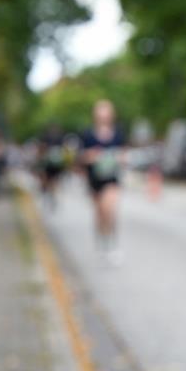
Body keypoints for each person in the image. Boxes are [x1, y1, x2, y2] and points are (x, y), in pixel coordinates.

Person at [81, 100, 126, 263]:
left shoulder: (118, 133)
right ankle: (101, 243)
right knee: (100, 213)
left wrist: (117, 157)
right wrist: (92, 156)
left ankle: (112, 245)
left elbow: (123, 154)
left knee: (109, 210)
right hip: (94, 179)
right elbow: (82, 157)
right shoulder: (88, 134)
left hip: (112, 178)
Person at [38, 123, 67, 210]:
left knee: (51, 180)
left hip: (53, 163)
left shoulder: (48, 137)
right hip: (54, 163)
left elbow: (42, 148)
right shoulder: (58, 137)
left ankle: (50, 194)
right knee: (52, 180)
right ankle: (51, 194)